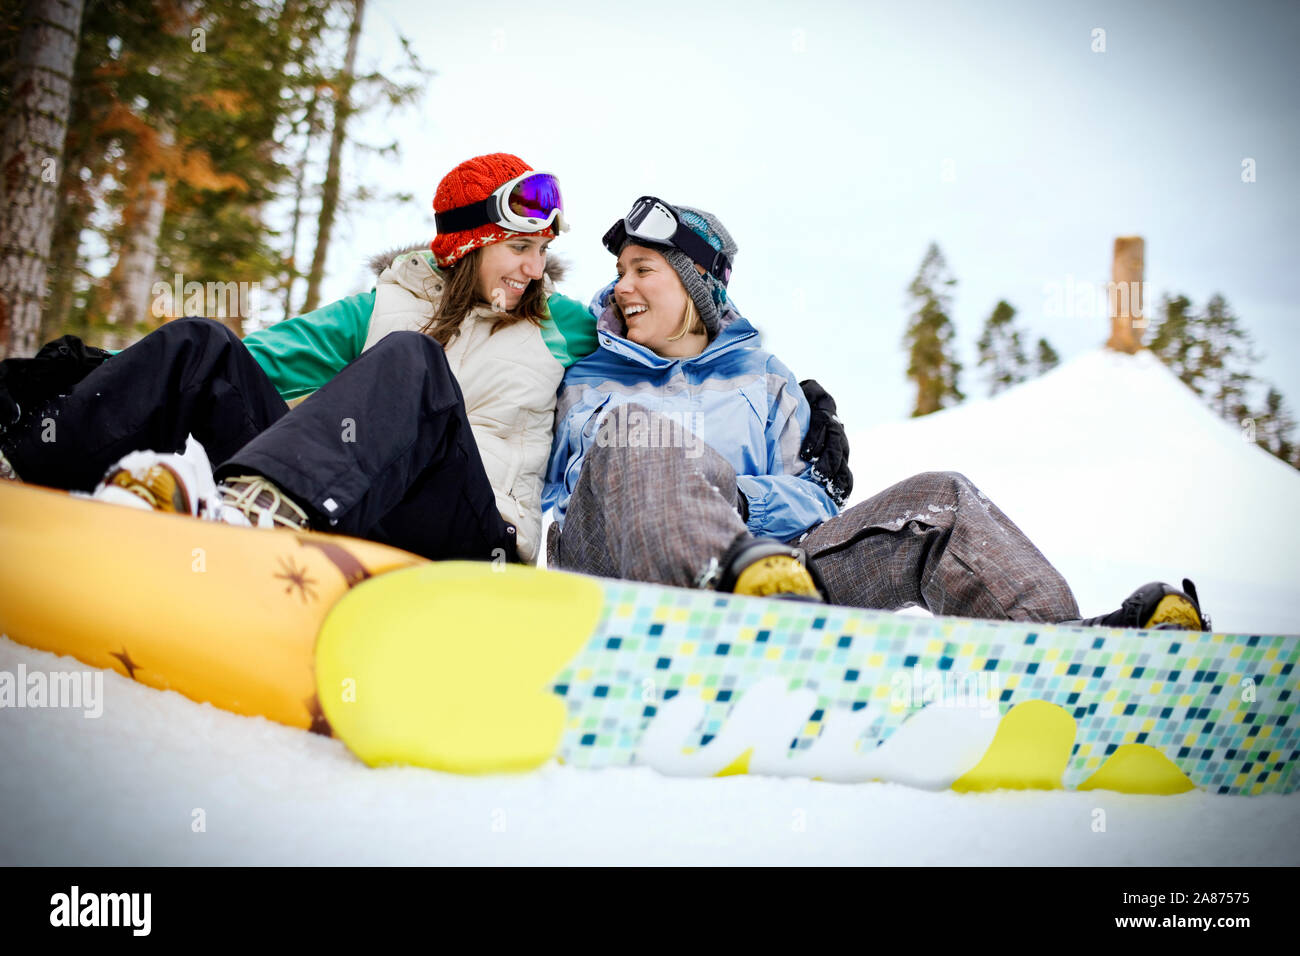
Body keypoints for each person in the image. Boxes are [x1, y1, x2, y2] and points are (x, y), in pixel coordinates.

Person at [0, 157, 853, 565]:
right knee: (201, 344)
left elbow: (670, 336)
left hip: (469, 529)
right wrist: (85, 379)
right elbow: (253, 362)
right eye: (519, 247)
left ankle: (253, 511)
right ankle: (28, 461)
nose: (534, 267)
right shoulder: (378, 309)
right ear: (468, 246)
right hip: (346, 492)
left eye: (544, 250)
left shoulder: (563, 327)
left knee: (411, 365)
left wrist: (790, 393)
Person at [544, 196, 1210, 630]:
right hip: (624, 593)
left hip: (776, 592)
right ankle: (742, 592)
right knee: (638, 441)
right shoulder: (588, 375)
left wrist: (746, 508)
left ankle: (1065, 658)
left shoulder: (770, 385)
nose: (621, 286)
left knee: (940, 500)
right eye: (620, 271)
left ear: (695, 285)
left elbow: (812, 511)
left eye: (643, 269)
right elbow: (581, 491)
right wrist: (713, 502)